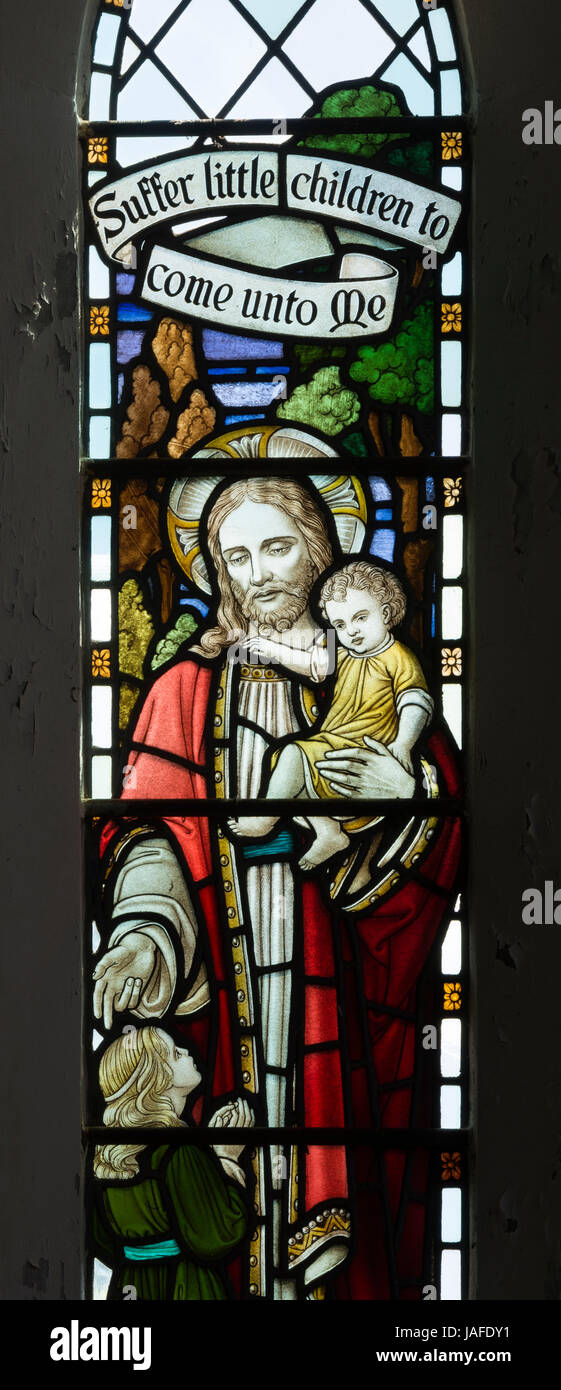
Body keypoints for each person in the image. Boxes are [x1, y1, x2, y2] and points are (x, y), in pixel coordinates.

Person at [93, 468, 461, 1299]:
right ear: (217, 573)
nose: (257, 572)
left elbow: (436, 816)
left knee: (333, 1141)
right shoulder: (183, 689)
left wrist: (398, 803)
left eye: (277, 546)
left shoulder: (366, 675)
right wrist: (148, 928)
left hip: (331, 965)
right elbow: (146, 829)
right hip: (222, 969)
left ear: (320, 553)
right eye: (235, 556)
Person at [229, 560, 434, 870]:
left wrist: (404, 744)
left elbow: (415, 701)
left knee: (293, 756)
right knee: (289, 768)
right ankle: (328, 831)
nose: (351, 631)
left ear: (387, 614)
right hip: (332, 741)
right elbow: (311, 664)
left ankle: (265, 817)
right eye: (339, 625)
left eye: (360, 618)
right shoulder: (343, 653)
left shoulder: (398, 657)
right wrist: (270, 649)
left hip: (361, 751)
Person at [92, 1027, 252, 1300]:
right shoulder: (178, 1151)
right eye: (176, 1053)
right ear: (158, 1078)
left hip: (133, 1283)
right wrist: (226, 1158)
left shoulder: (107, 1161)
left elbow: (103, 1240)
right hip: (185, 1284)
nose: (188, 1052)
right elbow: (215, 1236)